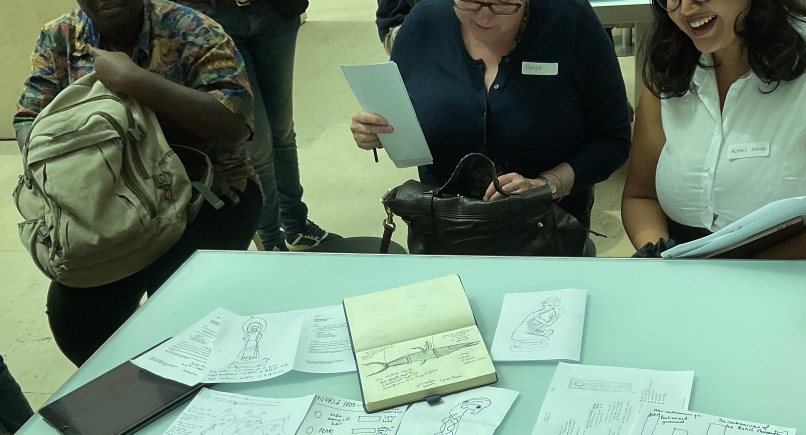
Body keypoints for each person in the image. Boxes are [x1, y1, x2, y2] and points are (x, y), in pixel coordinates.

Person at [15, 0, 262, 367]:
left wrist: (135, 81)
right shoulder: (61, 36)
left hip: (204, 192)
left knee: (181, 318)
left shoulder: (191, 28)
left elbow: (234, 126)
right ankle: (129, 389)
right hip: (105, 200)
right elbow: (27, 120)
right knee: (78, 323)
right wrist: (70, 154)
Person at [621, 0, 806, 260]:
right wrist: (657, 257)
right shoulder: (670, 61)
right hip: (682, 269)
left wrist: (735, 277)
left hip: (800, 266)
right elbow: (641, 196)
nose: (685, 7)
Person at [351, 0, 633, 244]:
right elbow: (407, 115)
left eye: (502, 4)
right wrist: (376, 131)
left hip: (547, 230)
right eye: (470, 2)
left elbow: (613, 139)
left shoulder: (570, 22)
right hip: (444, 229)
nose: (484, 17)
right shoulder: (423, 24)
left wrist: (547, 185)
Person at [178, 0, 340, 252]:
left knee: (283, 131)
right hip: (215, 16)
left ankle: (297, 225)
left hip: (274, 11)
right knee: (258, 143)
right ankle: (270, 239)